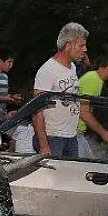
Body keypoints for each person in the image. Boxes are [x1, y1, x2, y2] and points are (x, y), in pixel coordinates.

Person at [31, 22, 87, 157]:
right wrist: (44, 145)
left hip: (71, 136)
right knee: (52, 177)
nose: (85, 49)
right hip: (53, 137)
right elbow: (37, 111)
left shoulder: (72, 67)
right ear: (68, 46)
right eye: (81, 46)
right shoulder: (48, 70)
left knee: (70, 176)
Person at [77, 52, 108, 159]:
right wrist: (104, 133)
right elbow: (83, 112)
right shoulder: (93, 79)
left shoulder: (97, 80)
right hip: (75, 133)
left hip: (78, 132)